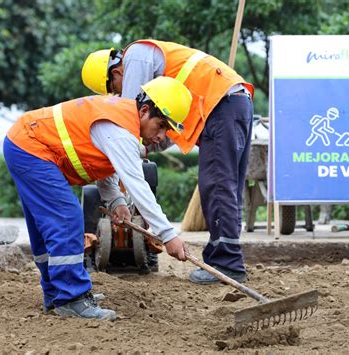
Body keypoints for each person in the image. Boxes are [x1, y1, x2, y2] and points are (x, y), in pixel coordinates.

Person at [4, 76, 192, 320]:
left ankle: (57, 293)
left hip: (25, 144)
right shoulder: (120, 130)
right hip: (30, 147)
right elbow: (137, 185)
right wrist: (168, 235)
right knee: (67, 218)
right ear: (144, 110)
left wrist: (117, 202)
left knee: (47, 226)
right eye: (161, 126)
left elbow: (103, 166)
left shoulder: (122, 123)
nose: (160, 137)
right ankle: (71, 297)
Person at [82, 40, 254, 284]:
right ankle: (223, 257)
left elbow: (129, 117)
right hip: (233, 103)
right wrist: (142, 147)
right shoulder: (159, 76)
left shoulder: (137, 56)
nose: (119, 96)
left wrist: (125, 151)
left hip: (221, 106)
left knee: (217, 186)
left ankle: (227, 263)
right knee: (225, 187)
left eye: (115, 90)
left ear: (116, 72)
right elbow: (161, 132)